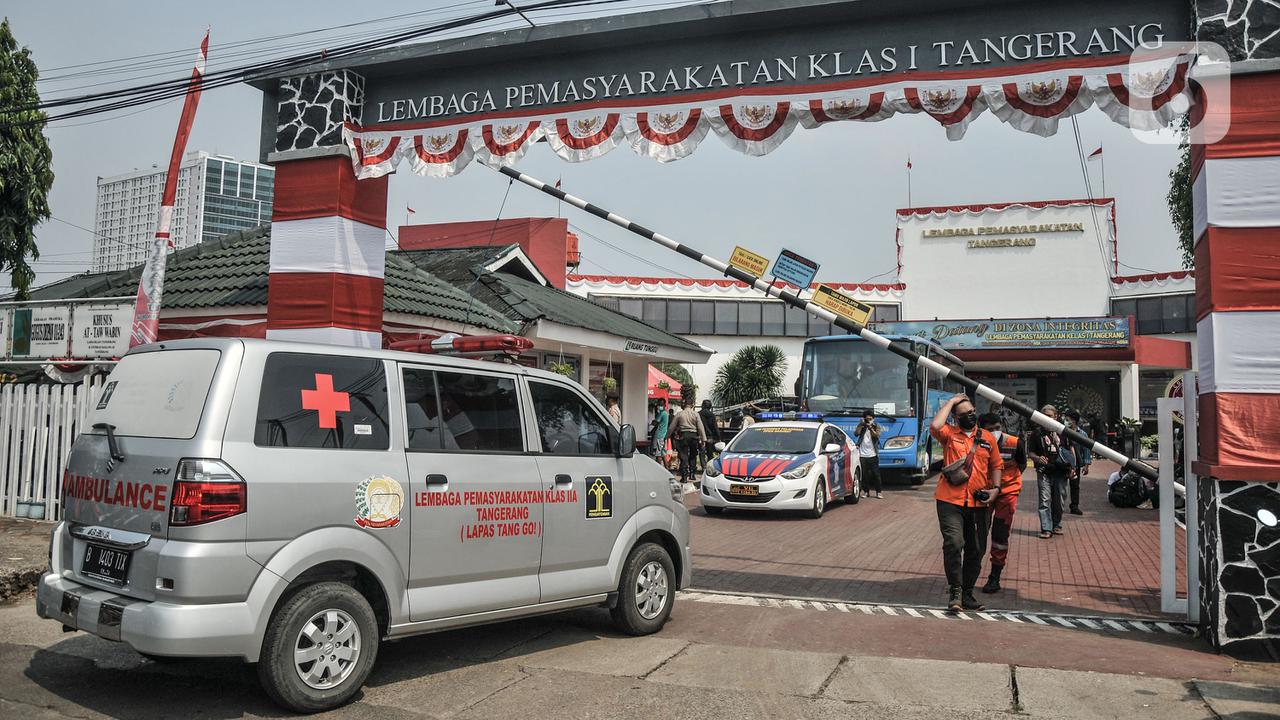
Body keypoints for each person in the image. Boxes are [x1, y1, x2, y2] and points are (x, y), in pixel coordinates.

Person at [930, 394, 1002, 613]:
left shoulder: (988, 438)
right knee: (954, 542)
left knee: (976, 549)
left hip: (979, 503)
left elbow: (996, 465)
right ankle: (955, 591)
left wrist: (995, 490)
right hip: (949, 500)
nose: (971, 416)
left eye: (972, 412)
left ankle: (968, 593)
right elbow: (935, 424)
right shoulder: (950, 435)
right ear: (956, 417)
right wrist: (951, 402)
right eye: (965, 414)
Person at [979, 413, 1026, 594]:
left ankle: (994, 577)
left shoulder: (1014, 443)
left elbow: (1021, 465)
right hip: (984, 493)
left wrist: (1006, 484)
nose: (995, 432)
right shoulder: (976, 444)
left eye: (997, 428)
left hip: (1007, 493)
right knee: (979, 532)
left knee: (1000, 535)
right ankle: (972, 571)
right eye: (990, 430)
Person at [1029, 404, 1072, 539]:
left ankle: (1057, 525)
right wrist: (1037, 458)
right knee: (1045, 500)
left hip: (1061, 471)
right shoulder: (1036, 433)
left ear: (1056, 417)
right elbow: (1030, 452)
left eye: (1050, 416)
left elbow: (1071, 450)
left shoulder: (1064, 432)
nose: (1047, 419)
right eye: (1044, 416)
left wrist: (1073, 467)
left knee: (1060, 500)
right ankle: (1046, 528)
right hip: (1044, 472)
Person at [669, 401, 707, 484]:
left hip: (683, 435)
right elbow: (700, 427)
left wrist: (667, 436)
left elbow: (672, 426)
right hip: (694, 436)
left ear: (683, 405)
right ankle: (692, 474)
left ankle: (684, 477)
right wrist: (703, 439)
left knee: (683, 456)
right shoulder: (696, 414)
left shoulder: (679, 414)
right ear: (692, 405)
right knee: (693, 455)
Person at [1066, 410, 1091, 515]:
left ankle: (1074, 506)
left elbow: (1086, 449)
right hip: (1062, 463)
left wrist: (1086, 465)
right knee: (1060, 485)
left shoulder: (1082, 434)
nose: (1065, 421)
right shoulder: (1062, 431)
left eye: (1068, 419)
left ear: (1074, 421)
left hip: (1075, 464)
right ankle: (1057, 504)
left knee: (1075, 485)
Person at [854, 409, 882, 499]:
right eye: (867, 419)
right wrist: (861, 425)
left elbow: (876, 436)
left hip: (873, 454)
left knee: (876, 474)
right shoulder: (862, 426)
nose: (868, 420)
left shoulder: (876, 426)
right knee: (864, 475)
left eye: (870, 419)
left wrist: (870, 428)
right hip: (862, 455)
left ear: (873, 419)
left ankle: (879, 492)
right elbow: (856, 434)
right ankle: (866, 491)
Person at [699, 399, 721, 471]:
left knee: (702, 452)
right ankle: (709, 468)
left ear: (703, 405)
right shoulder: (712, 415)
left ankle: (703, 467)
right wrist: (718, 437)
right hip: (710, 437)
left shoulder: (699, 414)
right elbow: (715, 427)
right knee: (710, 453)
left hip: (701, 436)